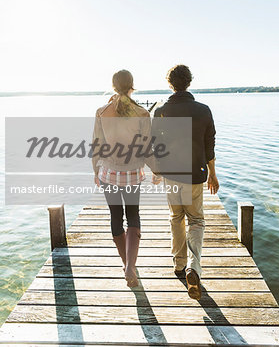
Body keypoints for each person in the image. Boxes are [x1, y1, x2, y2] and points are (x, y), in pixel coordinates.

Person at [153, 65, 219, 300]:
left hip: (171, 174)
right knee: (197, 220)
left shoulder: (161, 111)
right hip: (195, 175)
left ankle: (179, 265)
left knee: (176, 217)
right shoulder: (203, 110)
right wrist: (212, 173)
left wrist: (157, 169)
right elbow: (209, 145)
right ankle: (194, 267)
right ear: (189, 82)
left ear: (170, 84)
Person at [92, 70, 153, 288]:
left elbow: (96, 146)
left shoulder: (101, 111)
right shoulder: (142, 113)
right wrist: (157, 171)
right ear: (132, 85)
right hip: (133, 173)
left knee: (115, 217)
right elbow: (147, 149)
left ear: (113, 85)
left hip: (108, 172)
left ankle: (127, 263)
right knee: (133, 215)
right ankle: (130, 267)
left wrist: (94, 171)